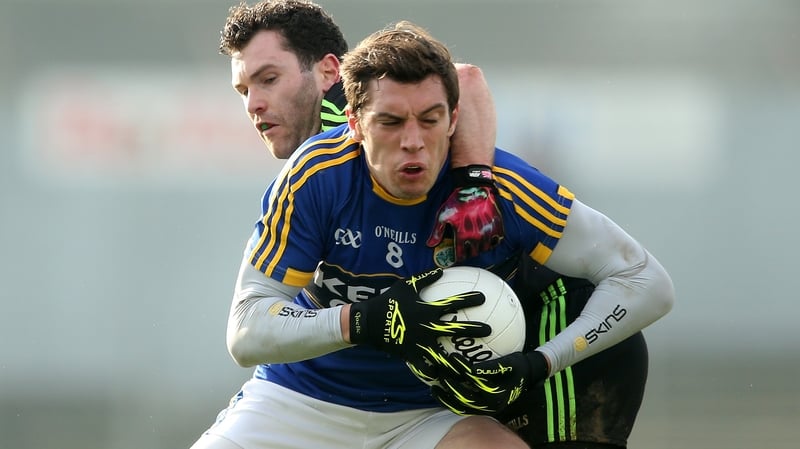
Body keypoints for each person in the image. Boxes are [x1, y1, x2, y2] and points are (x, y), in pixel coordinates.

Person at [191, 18, 674, 449]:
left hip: (436, 411)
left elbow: (645, 281)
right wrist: (364, 321)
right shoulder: (315, 172)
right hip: (300, 401)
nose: (413, 139)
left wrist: (541, 363)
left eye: (268, 79)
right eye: (391, 123)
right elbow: (247, 331)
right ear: (357, 126)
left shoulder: (497, 182)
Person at [220, 0, 503, 264]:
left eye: (269, 79)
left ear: (330, 72)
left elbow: (466, 78)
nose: (252, 104)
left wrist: (473, 187)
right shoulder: (316, 171)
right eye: (243, 91)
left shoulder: (346, 102)